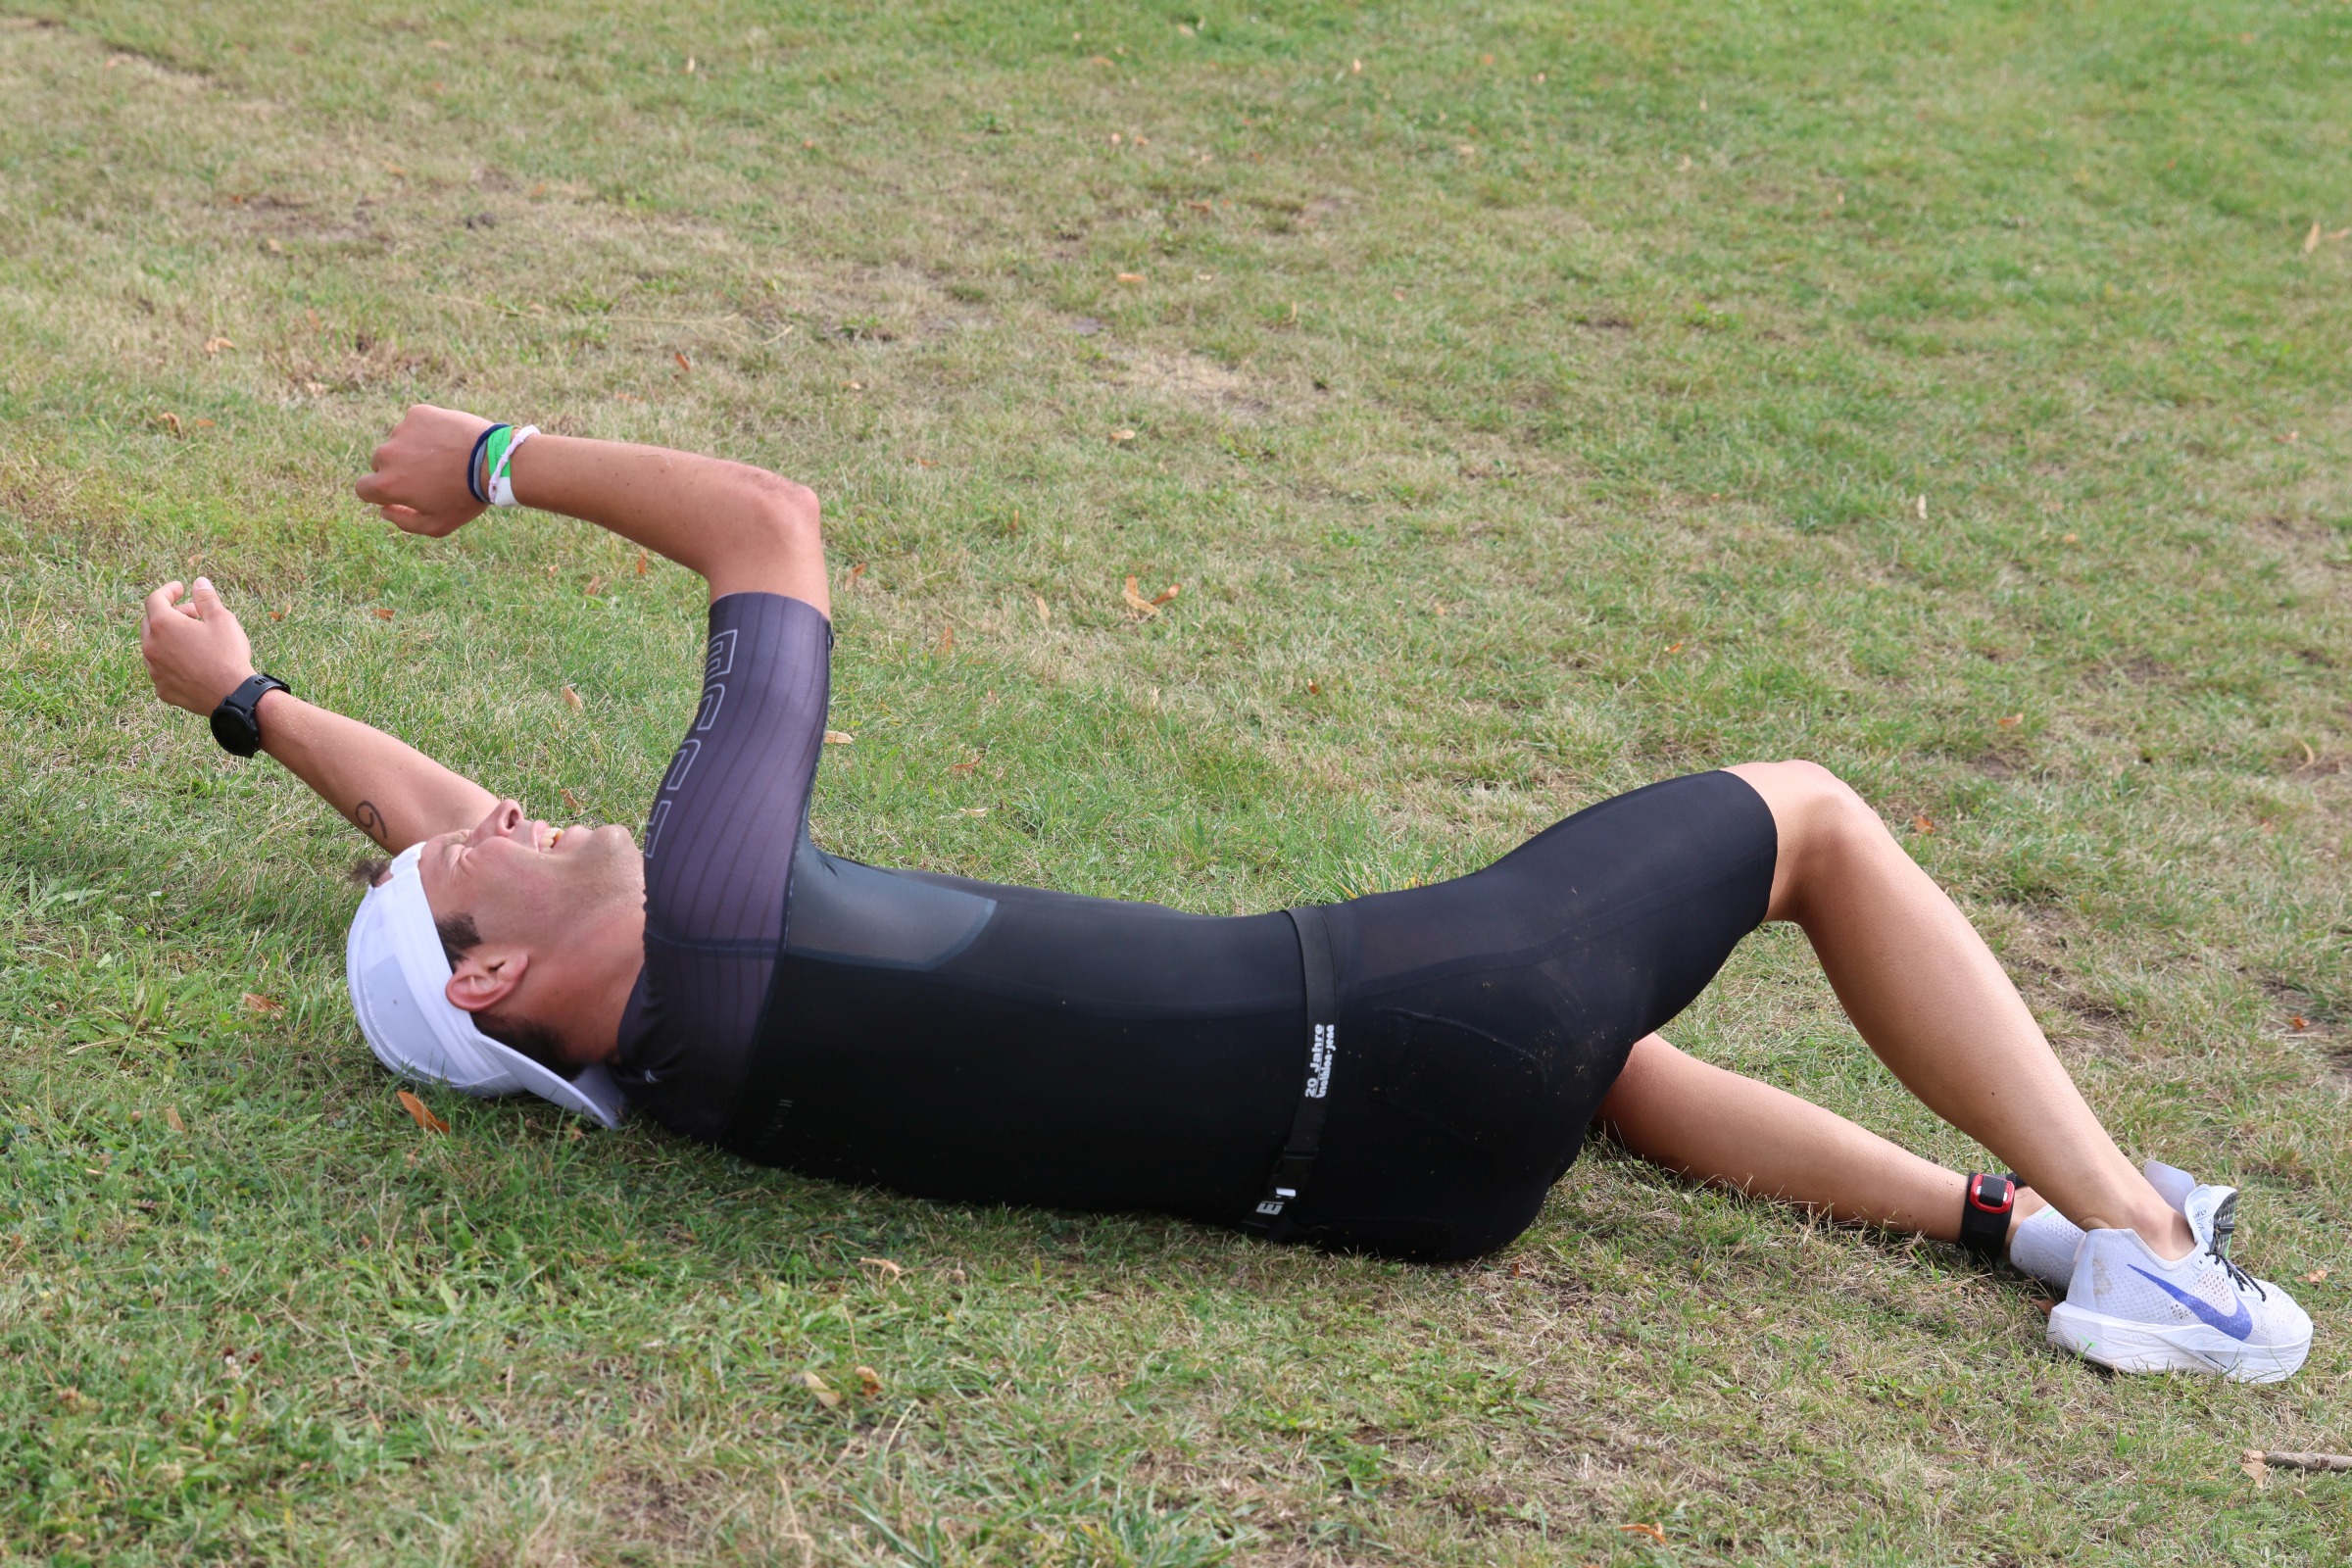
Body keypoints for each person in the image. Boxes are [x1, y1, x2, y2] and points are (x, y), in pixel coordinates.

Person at [135, 406, 2311, 1383]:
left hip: (1407, 1186)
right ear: (497, 984)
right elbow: (767, 522)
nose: (508, 805)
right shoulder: (704, 920)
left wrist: (257, 705)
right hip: (1422, 1014)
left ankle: (2007, 1226)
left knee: (1618, 1068)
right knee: (1808, 817)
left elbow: (439, 850)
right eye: (485, 850)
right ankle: (2145, 1249)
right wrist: (496, 461)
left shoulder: (679, 1050)